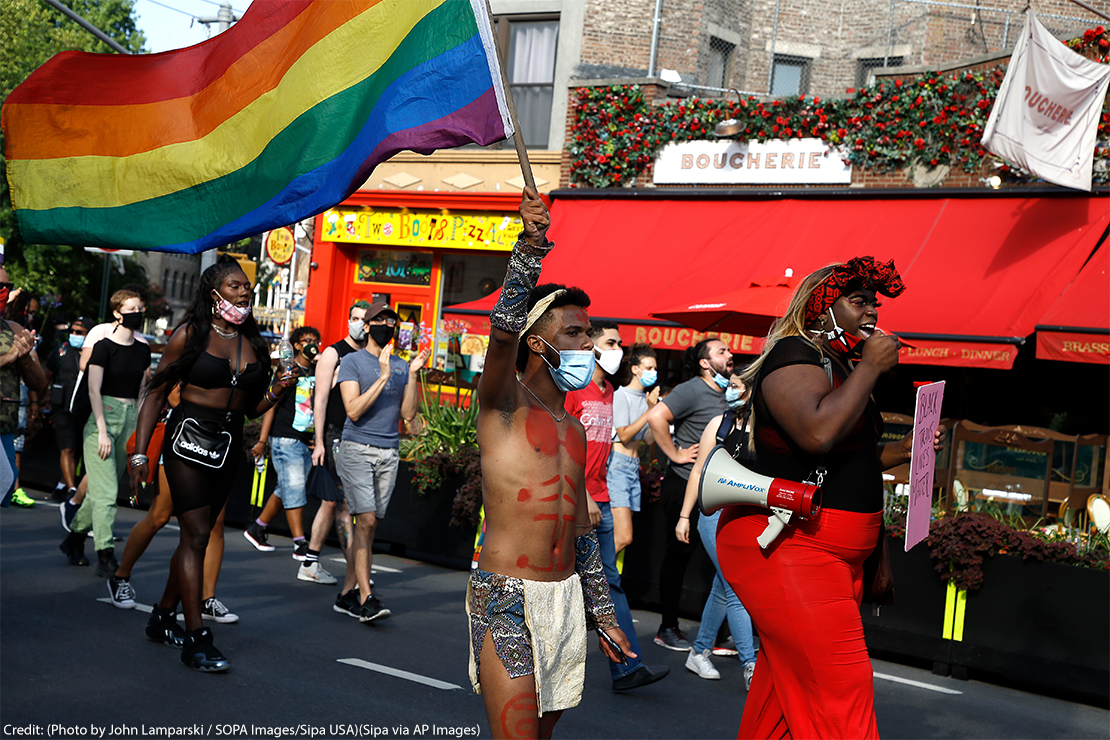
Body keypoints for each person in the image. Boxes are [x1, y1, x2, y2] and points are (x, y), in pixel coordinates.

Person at [717, 257, 920, 739]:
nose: (871, 311)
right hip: (792, 549)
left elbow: (848, 459)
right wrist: (870, 368)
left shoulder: (840, 363)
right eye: (858, 301)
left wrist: (901, 452)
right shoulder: (793, 355)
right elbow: (817, 433)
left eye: (874, 302)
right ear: (820, 308)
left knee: (783, 701)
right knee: (841, 695)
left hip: (832, 555)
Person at [469, 188, 633, 739]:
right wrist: (530, 248)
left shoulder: (574, 428)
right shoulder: (503, 406)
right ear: (538, 343)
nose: (590, 343)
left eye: (589, 332)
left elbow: (581, 530)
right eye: (576, 333)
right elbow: (500, 337)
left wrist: (601, 610)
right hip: (507, 595)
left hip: (563, 601)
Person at [128, 259, 294, 672]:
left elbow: (250, 406)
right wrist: (140, 452)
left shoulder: (254, 343)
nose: (244, 293)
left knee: (195, 535)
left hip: (226, 446)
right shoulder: (191, 335)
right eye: (235, 286)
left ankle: (162, 616)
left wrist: (275, 391)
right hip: (186, 440)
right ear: (214, 293)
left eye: (247, 287)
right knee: (198, 532)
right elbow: (156, 392)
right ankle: (197, 638)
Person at [565, 322, 669, 692]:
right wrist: (584, 494)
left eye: (620, 344)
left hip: (602, 498)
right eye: (612, 343)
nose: (619, 350)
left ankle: (626, 667)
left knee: (611, 585)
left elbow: (610, 448)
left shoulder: (609, 390)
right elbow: (563, 447)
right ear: (591, 345)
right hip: (575, 501)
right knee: (557, 584)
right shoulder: (571, 389)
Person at [335, 303, 429, 622]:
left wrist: (412, 374)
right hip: (357, 448)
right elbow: (353, 410)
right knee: (368, 522)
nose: (386, 325)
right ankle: (366, 597)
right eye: (380, 319)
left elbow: (407, 414)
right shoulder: (352, 362)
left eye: (391, 320)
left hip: (389, 451)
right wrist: (383, 376)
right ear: (367, 325)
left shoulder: (401, 366)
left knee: (368, 527)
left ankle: (347, 592)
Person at [645, 337, 732, 650]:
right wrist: (675, 454)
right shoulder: (692, 389)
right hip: (684, 482)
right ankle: (667, 627)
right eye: (721, 351)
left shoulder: (731, 391)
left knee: (719, 562)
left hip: (719, 488)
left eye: (728, 350)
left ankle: (720, 635)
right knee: (678, 555)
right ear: (705, 363)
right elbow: (657, 417)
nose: (730, 354)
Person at [59, 289, 150, 576]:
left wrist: (139, 432)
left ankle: (73, 540)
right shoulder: (104, 346)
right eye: (131, 308)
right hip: (102, 419)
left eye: (139, 308)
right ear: (117, 313)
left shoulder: (144, 348)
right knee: (108, 492)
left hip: (129, 418)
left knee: (100, 491)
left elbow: (143, 392)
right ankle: (106, 553)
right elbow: (93, 390)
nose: (137, 312)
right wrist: (100, 431)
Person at [675, 373, 758, 687]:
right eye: (729, 384)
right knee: (735, 586)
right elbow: (698, 471)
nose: (730, 390)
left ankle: (698, 652)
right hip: (713, 513)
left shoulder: (762, 428)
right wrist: (685, 516)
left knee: (722, 588)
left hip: (746, 516)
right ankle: (750, 664)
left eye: (736, 386)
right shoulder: (718, 424)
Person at [246, 326, 334, 583]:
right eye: (307, 341)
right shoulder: (288, 368)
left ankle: (257, 528)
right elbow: (270, 405)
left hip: (306, 437)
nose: (312, 345)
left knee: (287, 486)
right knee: (294, 486)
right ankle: (300, 543)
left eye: (316, 341)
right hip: (284, 435)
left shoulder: (319, 370)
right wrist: (262, 440)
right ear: (296, 345)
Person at [312, 301, 370, 610]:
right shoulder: (334, 353)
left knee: (357, 507)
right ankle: (355, 574)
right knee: (344, 505)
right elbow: (319, 400)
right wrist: (318, 441)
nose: (360, 324)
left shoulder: (370, 355)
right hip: (336, 434)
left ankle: (351, 570)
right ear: (348, 320)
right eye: (356, 318)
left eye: (364, 319)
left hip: (362, 437)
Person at [0, 267, 47, 508]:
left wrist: (24, 357)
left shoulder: (14, 330)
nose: (4, 291)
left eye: (6, 286)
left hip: (5, 430)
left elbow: (39, 383)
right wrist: (8, 357)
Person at [609, 343, 659, 554]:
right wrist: (650, 411)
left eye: (655, 369)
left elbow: (647, 440)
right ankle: (592, 580)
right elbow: (624, 434)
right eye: (648, 368)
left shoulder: (648, 400)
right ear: (635, 369)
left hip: (633, 467)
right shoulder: (621, 396)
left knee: (617, 535)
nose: (653, 373)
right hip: (617, 466)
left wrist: (657, 415)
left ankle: (598, 580)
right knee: (624, 537)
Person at [44, 317, 92, 503]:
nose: (74, 335)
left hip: (85, 408)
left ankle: (62, 485)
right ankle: (72, 489)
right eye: (72, 331)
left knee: (79, 449)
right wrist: (37, 402)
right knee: (68, 448)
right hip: (62, 407)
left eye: (79, 332)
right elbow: (46, 377)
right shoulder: (61, 351)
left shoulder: (95, 353)